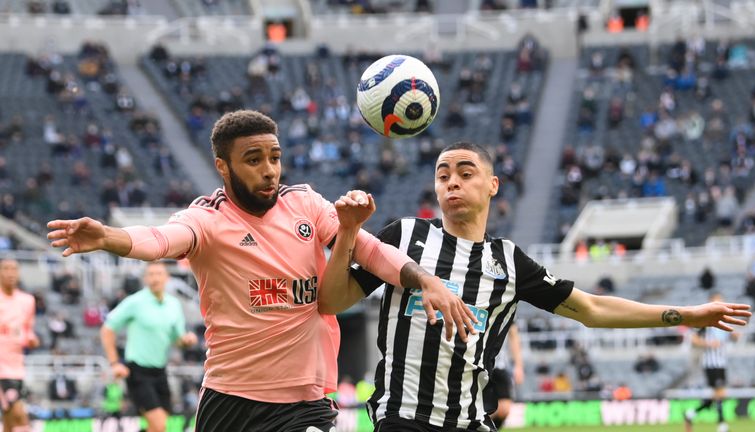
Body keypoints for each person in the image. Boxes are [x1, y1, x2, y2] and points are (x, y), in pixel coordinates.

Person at [47, 110, 474, 432]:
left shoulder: (306, 204)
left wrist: (427, 280)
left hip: (305, 401)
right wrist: (108, 238)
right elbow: (159, 241)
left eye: (274, 157)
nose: (269, 169)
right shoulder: (208, 219)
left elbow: (372, 250)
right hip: (230, 401)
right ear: (223, 166)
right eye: (253, 160)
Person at [320, 141, 751, 431]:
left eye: (465, 173)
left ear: (492, 186)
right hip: (402, 418)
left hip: (471, 420)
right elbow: (333, 300)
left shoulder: (508, 261)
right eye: (443, 174)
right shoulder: (405, 236)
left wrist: (686, 315)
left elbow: (592, 310)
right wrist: (348, 234)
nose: (452, 181)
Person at [100, 261, 197, 432]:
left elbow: (177, 339)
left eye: (159, 274)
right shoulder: (135, 302)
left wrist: (186, 340)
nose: (155, 278)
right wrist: (115, 363)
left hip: (160, 371)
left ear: (167, 278)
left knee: (158, 427)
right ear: (145, 279)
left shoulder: (174, 305)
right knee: (159, 425)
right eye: (151, 274)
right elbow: (107, 329)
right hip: (138, 371)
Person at [685, 293, 739, 432]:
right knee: (720, 393)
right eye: (717, 301)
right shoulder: (705, 322)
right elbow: (694, 339)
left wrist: (734, 336)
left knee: (719, 394)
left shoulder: (725, 321)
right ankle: (721, 424)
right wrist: (709, 343)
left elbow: (731, 339)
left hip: (721, 362)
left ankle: (691, 414)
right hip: (711, 363)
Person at [0, 258, 39, 432]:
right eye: (6, 269)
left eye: (14, 269)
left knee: (9, 419)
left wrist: (31, 339)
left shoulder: (27, 301)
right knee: (19, 416)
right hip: (1, 369)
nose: (10, 273)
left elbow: (27, 330)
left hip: (17, 368)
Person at [484, 324, 523, 429]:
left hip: (500, 365)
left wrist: (518, 366)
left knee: (504, 409)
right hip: (480, 365)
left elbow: (513, 336)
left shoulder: (509, 310)